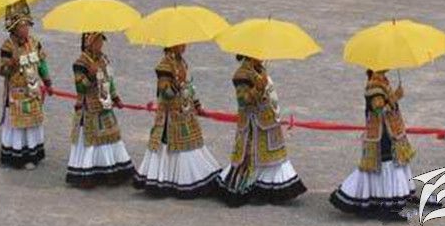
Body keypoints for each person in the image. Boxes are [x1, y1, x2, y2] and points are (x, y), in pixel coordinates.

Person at [217, 55, 306, 206]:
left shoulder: (259, 70)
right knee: (251, 158)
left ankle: (269, 186)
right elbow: (242, 101)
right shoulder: (241, 75)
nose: (262, 56)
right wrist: (257, 88)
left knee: (272, 156)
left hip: (267, 121)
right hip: (253, 125)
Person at [133, 44, 221, 198]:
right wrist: (177, 82)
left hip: (185, 112)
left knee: (189, 143)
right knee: (171, 145)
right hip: (170, 116)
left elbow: (189, 87)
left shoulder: (182, 62)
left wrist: (197, 104)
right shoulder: (164, 67)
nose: (184, 45)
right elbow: (165, 94)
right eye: (181, 43)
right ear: (172, 45)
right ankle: (172, 179)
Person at [330, 69, 417, 220]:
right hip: (381, 134)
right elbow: (378, 110)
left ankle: (387, 199)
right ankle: (388, 206)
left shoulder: (382, 82)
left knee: (387, 164)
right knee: (387, 164)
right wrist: (396, 97)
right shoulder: (374, 87)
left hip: (388, 131)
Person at [66, 32, 135, 188]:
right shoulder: (80, 63)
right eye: (97, 41)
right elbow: (80, 87)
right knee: (91, 140)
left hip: (105, 104)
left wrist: (116, 97)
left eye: (101, 41)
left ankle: (112, 168)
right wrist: (90, 75)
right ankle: (89, 172)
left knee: (111, 136)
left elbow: (109, 80)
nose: (100, 45)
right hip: (89, 106)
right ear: (88, 43)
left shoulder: (104, 59)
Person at [0, 1, 52, 169]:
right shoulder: (7, 46)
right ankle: (17, 156)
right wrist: (12, 64)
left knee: (32, 123)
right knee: (18, 125)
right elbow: (3, 71)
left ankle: (32, 155)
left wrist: (47, 82)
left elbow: (41, 64)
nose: (26, 29)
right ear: (14, 28)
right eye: (22, 26)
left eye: (27, 25)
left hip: (33, 90)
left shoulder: (35, 43)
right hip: (17, 92)